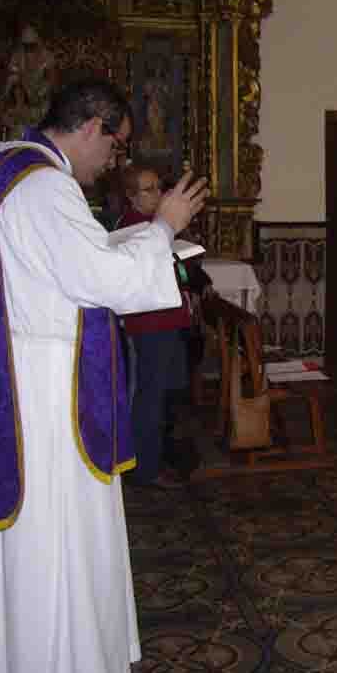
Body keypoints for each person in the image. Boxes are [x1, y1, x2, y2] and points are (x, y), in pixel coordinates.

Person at [0, 78, 208, 673]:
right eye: (117, 145)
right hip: (52, 399)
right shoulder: (46, 188)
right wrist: (164, 228)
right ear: (93, 126)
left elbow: (81, 263)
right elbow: (100, 280)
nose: (117, 161)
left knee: (64, 542)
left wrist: (146, 244)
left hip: (42, 377)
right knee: (62, 543)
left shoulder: (21, 173)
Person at [117, 162, 212, 487]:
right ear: (131, 197)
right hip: (150, 324)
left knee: (169, 393)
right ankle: (144, 468)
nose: (159, 194)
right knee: (150, 396)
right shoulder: (133, 229)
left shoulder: (156, 225)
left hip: (169, 320)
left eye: (160, 186)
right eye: (149, 189)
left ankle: (164, 456)